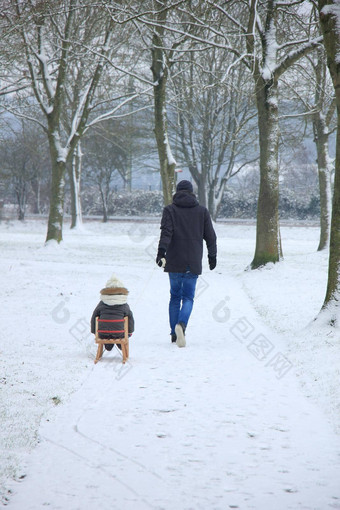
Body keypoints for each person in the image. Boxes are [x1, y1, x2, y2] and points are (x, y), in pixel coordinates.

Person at [156, 180, 217, 347]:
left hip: (175, 259)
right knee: (188, 297)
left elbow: (166, 233)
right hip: (193, 260)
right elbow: (210, 236)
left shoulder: (169, 210)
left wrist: (161, 252)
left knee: (174, 297)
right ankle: (181, 325)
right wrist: (213, 256)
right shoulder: (202, 211)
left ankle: (174, 335)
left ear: (177, 192)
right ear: (192, 193)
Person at [90, 274, 134, 351]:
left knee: (108, 330)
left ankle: (108, 345)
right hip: (120, 333)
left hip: (103, 333)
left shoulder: (101, 304)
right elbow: (130, 319)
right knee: (119, 331)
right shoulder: (124, 304)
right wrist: (130, 332)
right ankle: (119, 344)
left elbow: (94, 317)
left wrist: (94, 332)